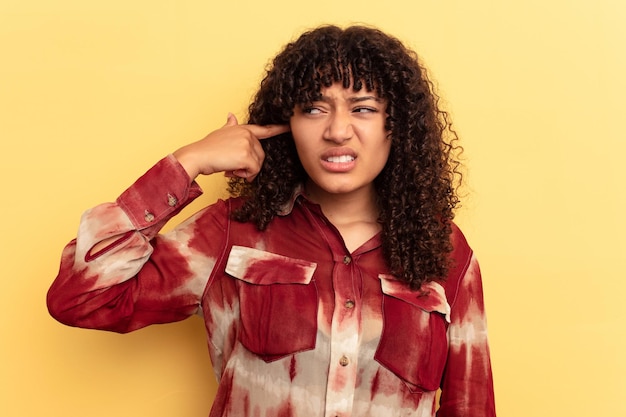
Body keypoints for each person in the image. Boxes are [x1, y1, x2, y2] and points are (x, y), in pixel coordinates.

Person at [47, 24, 496, 417]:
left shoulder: (445, 250)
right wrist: (188, 162)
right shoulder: (233, 232)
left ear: (396, 127)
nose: (337, 130)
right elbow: (82, 298)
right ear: (286, 124)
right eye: (314, 109)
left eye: (363, 108)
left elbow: (470, 406)